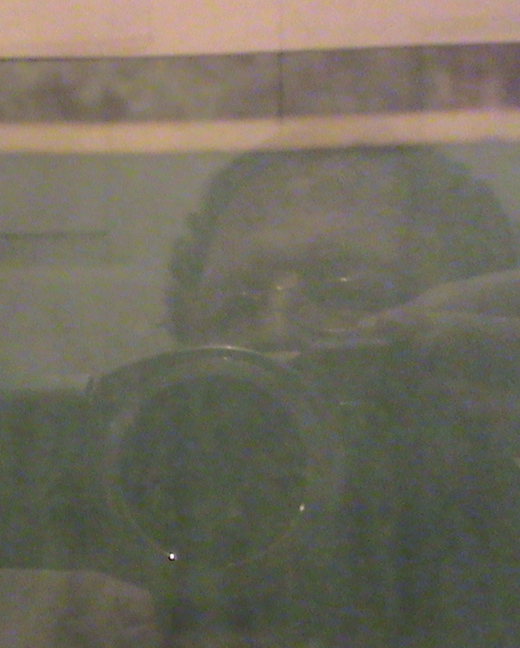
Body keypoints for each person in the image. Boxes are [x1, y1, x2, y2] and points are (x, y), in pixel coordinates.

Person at [157, 145, 520, 647]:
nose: (275, 326)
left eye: (348, 290)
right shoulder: (157, 536)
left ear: (470, 328)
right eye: (236, 304)